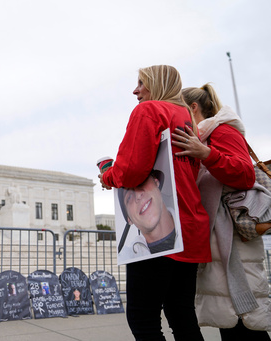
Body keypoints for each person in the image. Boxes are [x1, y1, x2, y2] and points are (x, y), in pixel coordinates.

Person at [99, 65, 210, 340]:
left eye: (142, 83)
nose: (135, 90)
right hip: (190, 225)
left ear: (158, 85)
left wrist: (108, 175)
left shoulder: (148, 111)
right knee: (182, 314)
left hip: (159, 233)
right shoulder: (186, 118)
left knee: (142, 317)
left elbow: (132, 170)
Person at [172, 83, 271, 340]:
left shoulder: (222, 131)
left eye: (179, 109)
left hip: (233, 234)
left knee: (245, 317)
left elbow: (245, 174)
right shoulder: (204, 135)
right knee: (229, 315)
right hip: (220, 233)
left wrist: (206, 153)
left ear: (193, 108)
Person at [118, 170, 177, 258]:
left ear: (156, 182)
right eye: (129, 197)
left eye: (142, 182)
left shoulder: (193, 228)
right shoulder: (126, 256)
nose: (138, 195)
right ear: (129, 219)